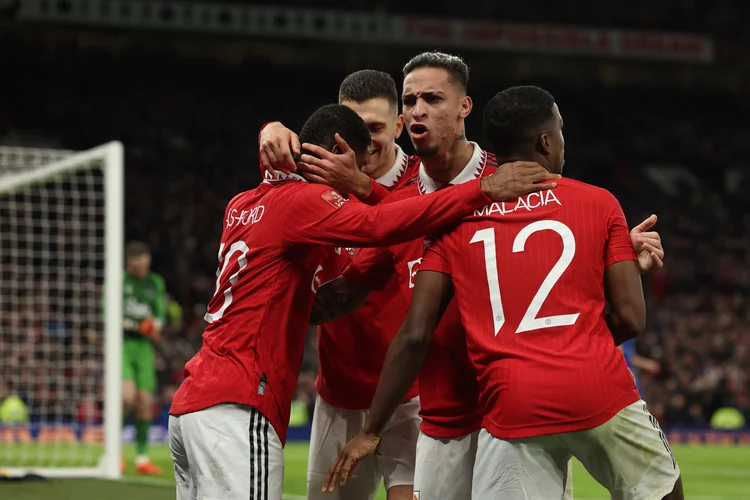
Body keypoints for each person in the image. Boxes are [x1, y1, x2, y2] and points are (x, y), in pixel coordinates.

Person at [168, 102, 558, 500]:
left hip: (194, 402)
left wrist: (270, 128)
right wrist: (483, 189)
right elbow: (379, 224)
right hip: (239, 399)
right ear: (339, 151)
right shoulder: (306, 203)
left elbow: (344, 258)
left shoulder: (243, 204)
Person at [325, 86, 682, 500]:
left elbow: (415, 334)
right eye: (560, 130)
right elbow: (631, 319)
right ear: (547, 141)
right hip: (597, 388)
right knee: (663, 491)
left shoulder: (455, 224)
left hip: (511, 403)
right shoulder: (599, 203)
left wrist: (371, 431)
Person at [260, 70, 421, 500]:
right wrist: (270, 129)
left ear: (400, 127)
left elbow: (419, 229)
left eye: (374, 129)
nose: (360, 143)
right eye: (350, 126)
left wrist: (363, 188)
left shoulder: (423, 182)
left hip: (412, 395)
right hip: (340, 394)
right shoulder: (315, 181)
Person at [121, 241, 167, 475]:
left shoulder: (155, 283)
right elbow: (109, 317)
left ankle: (141, 459)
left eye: (146, 265)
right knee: (126, 398)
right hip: (122, 345)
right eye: (139, 266)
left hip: (144, 348)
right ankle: (115, 453)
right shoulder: (119, 283)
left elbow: (159, 316)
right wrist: (138, 325)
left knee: (144, 402)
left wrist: (154, 326)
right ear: (129, 263)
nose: (143, 270)